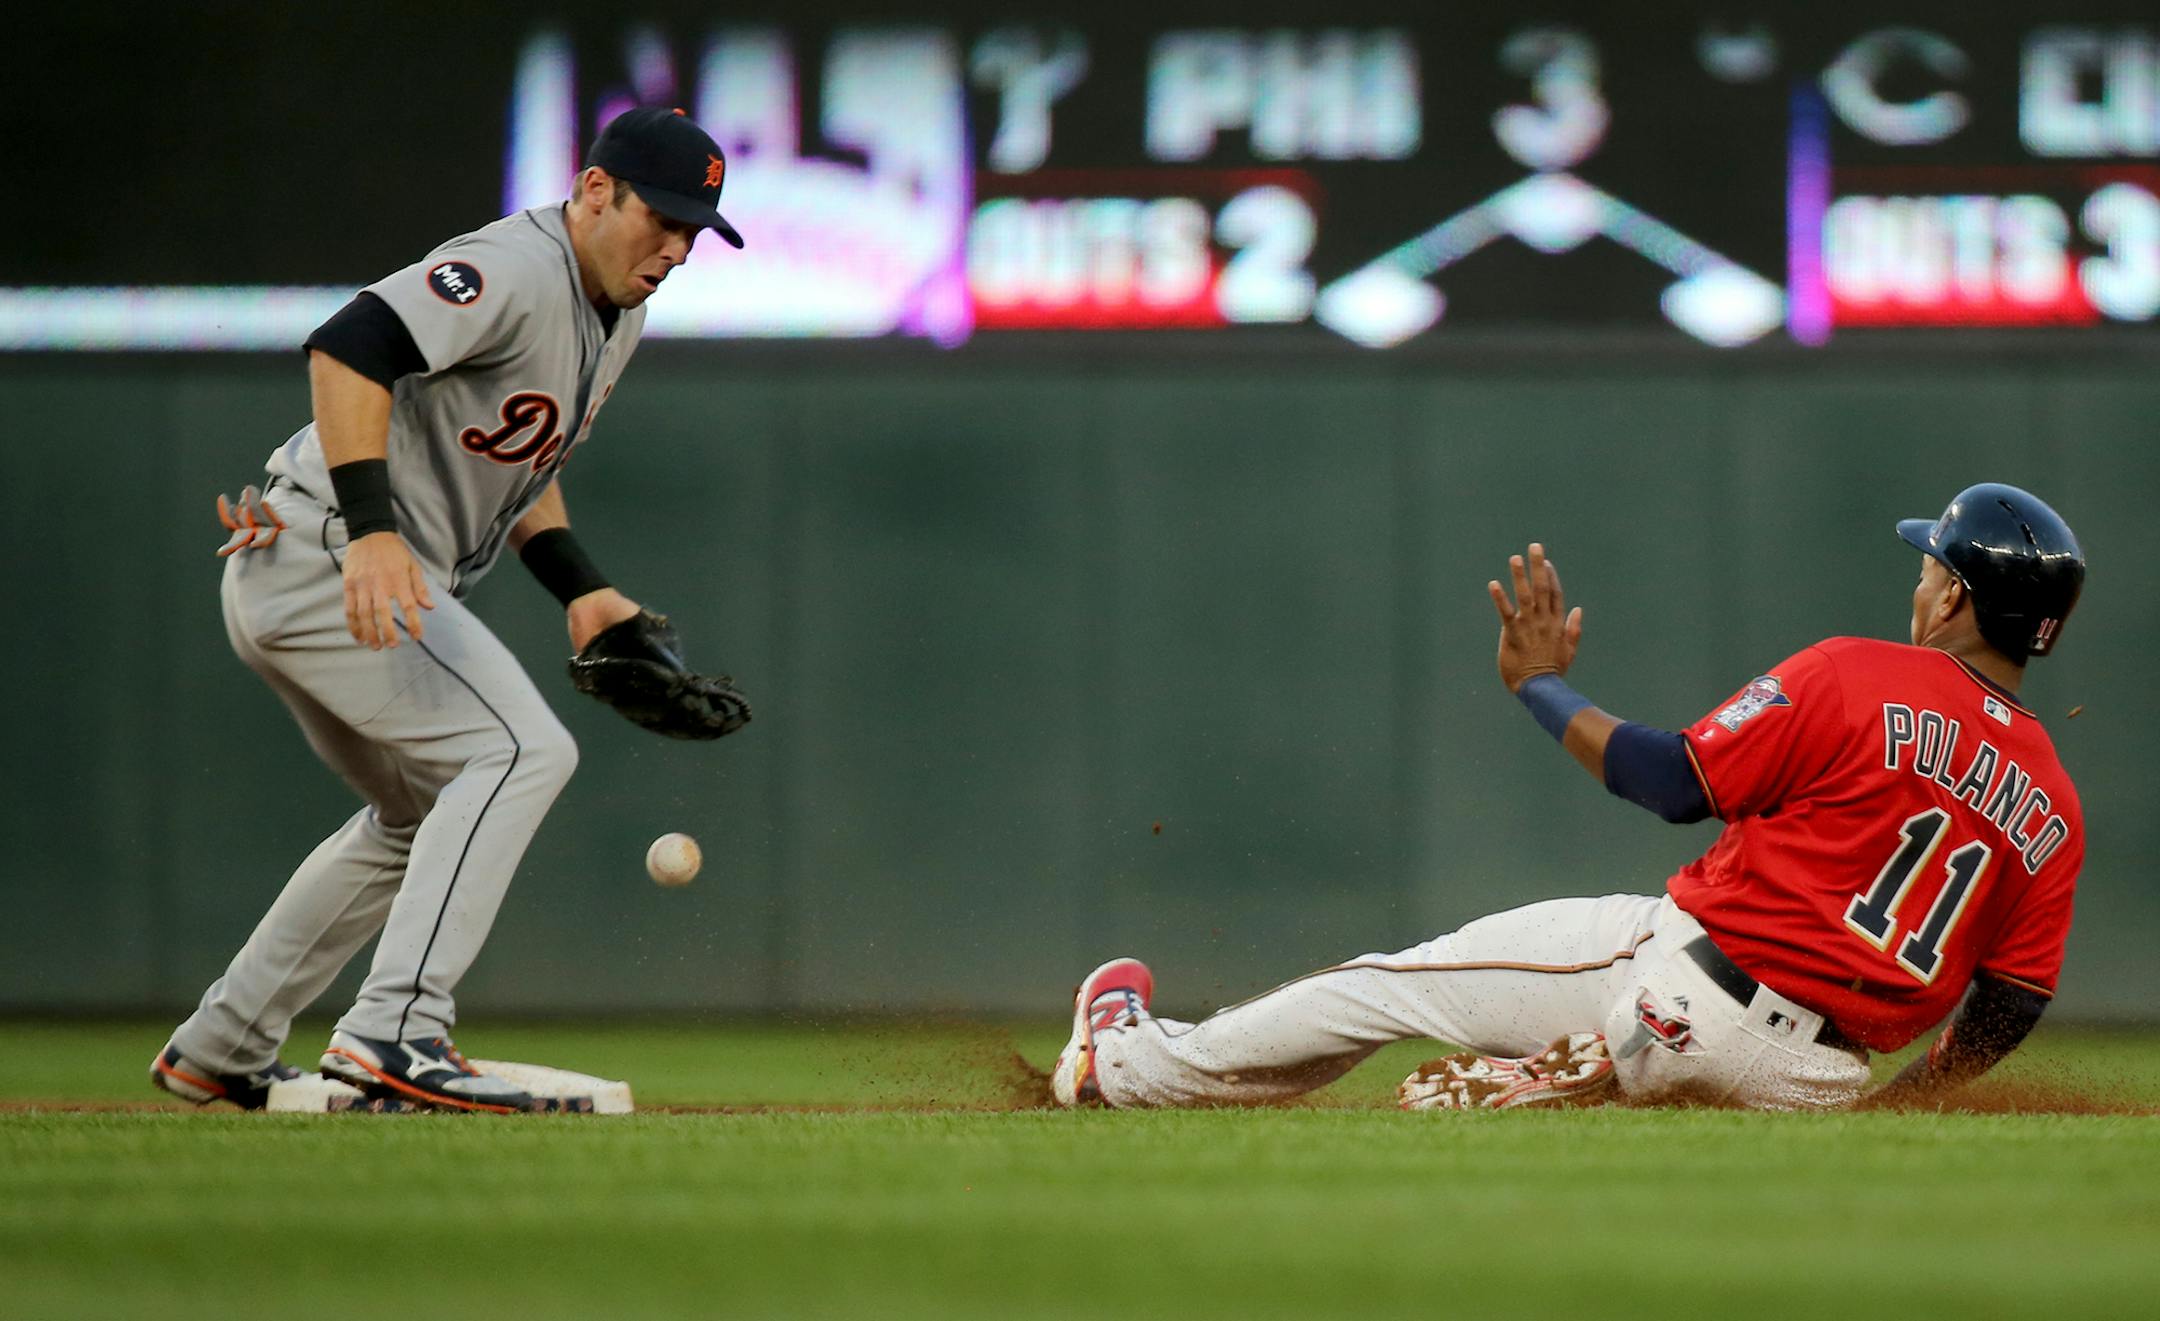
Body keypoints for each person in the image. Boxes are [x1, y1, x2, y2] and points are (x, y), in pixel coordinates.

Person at [1051, 484, 2086, 1112]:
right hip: (1819, 1083)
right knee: (1652, 1043)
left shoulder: (1856, 674)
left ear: (1954, 594)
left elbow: (1673, 781)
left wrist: (1540, 687)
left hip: (1689, 987)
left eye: (1929, 568)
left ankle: (1125, 1064)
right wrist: (1905, 1108)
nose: (1919, 583)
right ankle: (1590, 1069)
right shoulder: (2055, 801)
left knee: (1383, 985)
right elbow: (2010, 1004)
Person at [150, 107, 749, 1113]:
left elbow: (514, 459)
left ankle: (224, 1045)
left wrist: (582, 588)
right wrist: (374, 528)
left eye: (697, 231)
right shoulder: (514, 268)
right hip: (334, 553)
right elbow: (349, 348)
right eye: (663, 217)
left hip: (328, 564)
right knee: (519, 750)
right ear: (597, 191)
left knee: (413, 814)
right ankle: (397, 1029)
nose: (678, 247)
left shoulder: (619, 312)